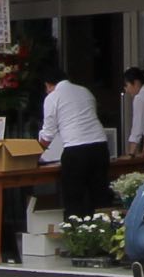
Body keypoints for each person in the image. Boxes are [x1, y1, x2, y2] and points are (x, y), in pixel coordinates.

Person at [37, 53, 111, 220]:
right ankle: (106, 231)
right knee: (100, 195)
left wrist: (35, 155)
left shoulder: (53, 97)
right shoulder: (85, 91)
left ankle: (77, 232)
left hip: (76, 150)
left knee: (74, 198)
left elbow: (48, 134)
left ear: (49, 84)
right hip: (100, 147)